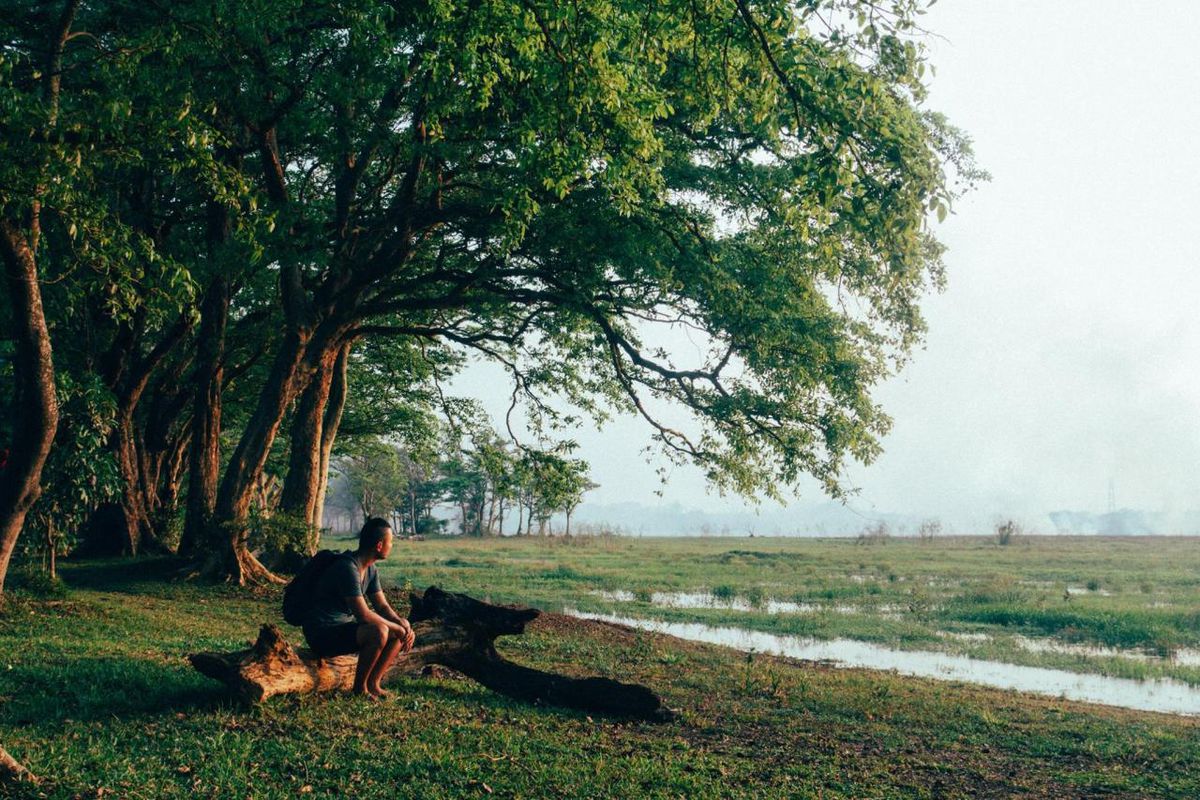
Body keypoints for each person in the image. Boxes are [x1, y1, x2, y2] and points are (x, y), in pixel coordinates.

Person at [303, 518, 415, 699]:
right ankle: (359, 689)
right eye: (391, 542)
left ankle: (374, 683)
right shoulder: (347, 568)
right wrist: (397, 628)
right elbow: (363, 614)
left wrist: (404, 624)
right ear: (379, 545)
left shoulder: (371, 569)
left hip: (342, 630)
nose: (392, 546)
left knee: (397, 630)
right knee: (379, 631)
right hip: (322, 634)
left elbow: (382, 605)